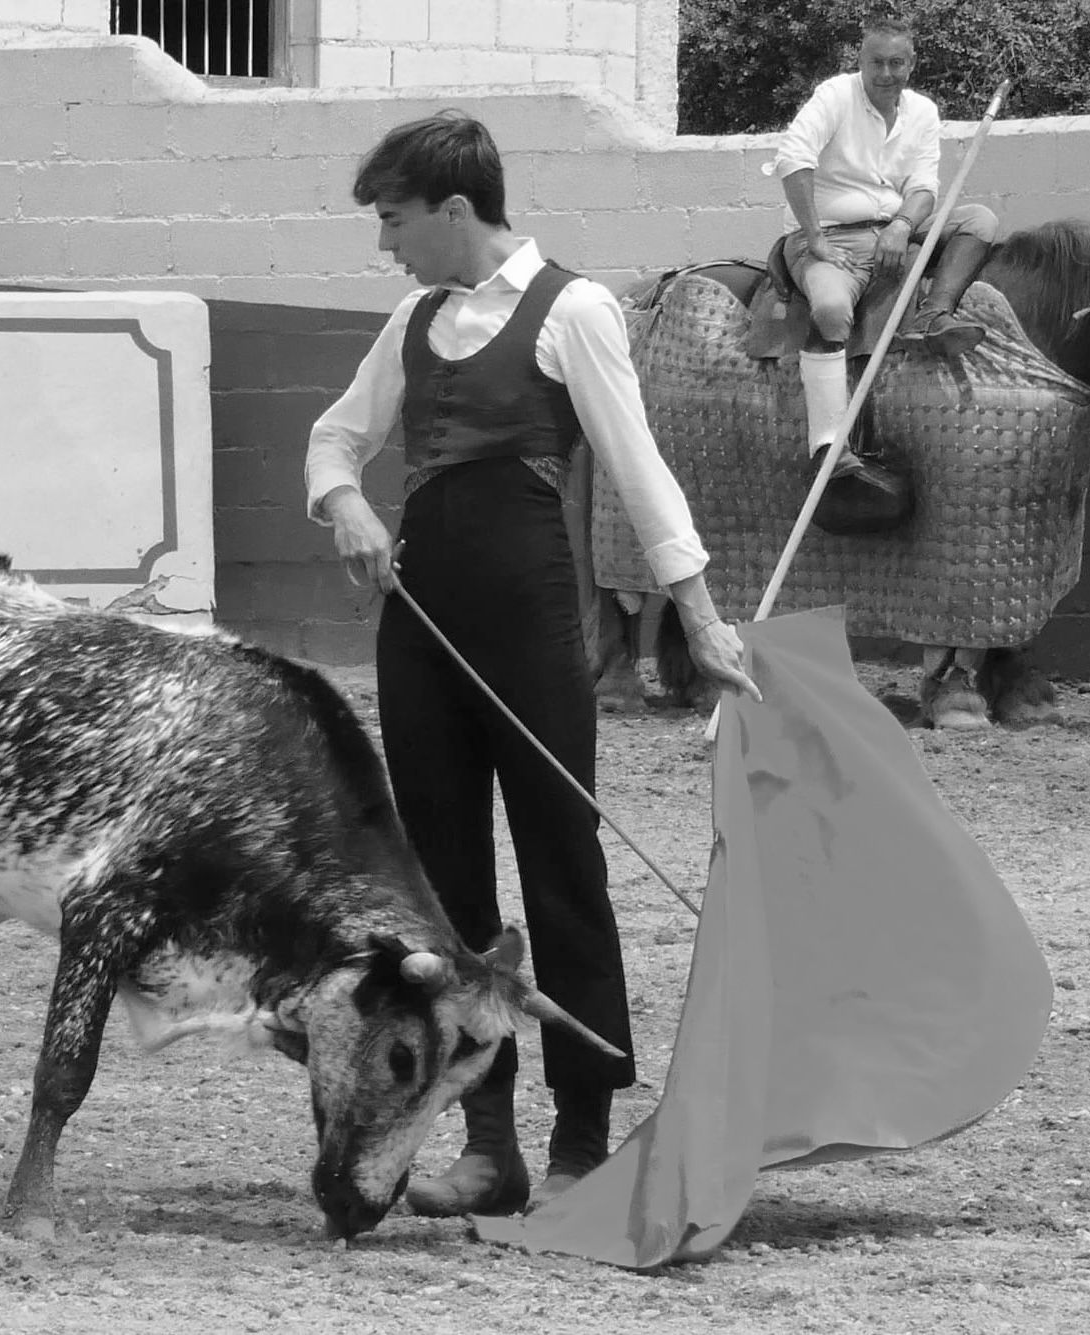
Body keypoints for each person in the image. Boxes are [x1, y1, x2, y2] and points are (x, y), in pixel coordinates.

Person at [304, 113, 759, 1219]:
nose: (386, 246)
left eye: (394, 220)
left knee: (563, 872)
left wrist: (697, 615)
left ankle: (584, 1143)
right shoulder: (413, 319)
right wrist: (347, 501)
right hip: (420, 637)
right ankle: (491, 1145)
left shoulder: (575, 308)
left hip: (529, 633)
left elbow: (636, 466)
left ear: (453, 210)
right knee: (446, 893)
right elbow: (331, 437)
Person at [771, 14, 996, 494]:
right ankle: (829, 448)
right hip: (831, 236)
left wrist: (900, 227)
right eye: (878, 62)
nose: (887, 73)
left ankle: (933, 316)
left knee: (979, 222)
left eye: (897, 63)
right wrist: (814, 240)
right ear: (861, 59)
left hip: (894, 230)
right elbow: (793, 158)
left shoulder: (923, 112)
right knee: (831, 310)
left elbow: (924, 187)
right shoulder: (835, 96)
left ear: (911, 65)